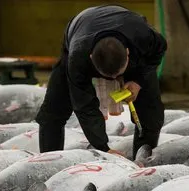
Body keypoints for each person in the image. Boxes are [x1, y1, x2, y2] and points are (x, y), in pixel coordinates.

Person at [35, 5, 167, 158]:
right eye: (106, 75)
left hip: (127, 31)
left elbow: (159, 50)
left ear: (127, 53)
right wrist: (103, 147)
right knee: (53, 112)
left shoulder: (144, 36)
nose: (113, 80)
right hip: (79, 30)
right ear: (91, 58)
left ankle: (143, 160)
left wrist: (138, 81)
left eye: (118, 74)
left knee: (151, 113)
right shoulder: (78, 57)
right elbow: (84, 106)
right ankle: (49, 162)